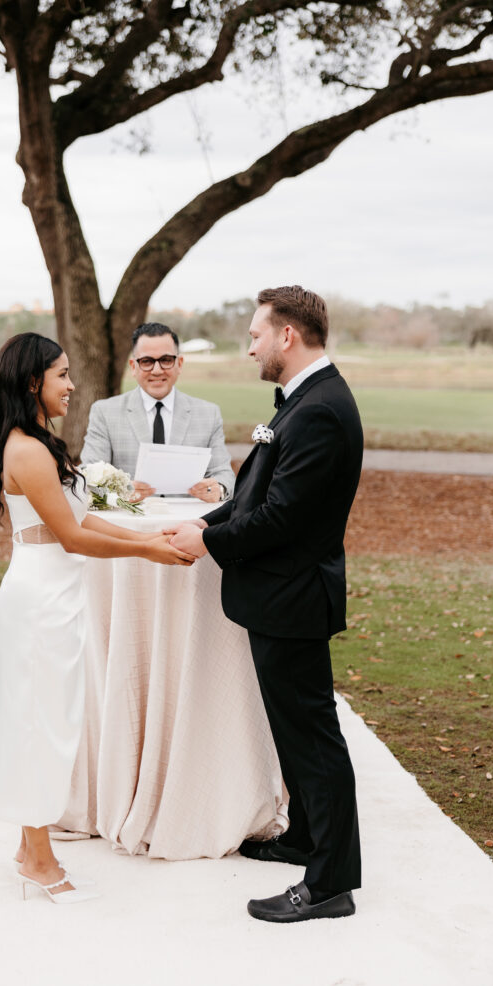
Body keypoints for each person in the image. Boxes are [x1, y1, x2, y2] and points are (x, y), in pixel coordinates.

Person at [168, 286, 363, 924]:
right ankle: (305, 836)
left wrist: (209, 541)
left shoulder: (320, 410)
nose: (248, 344)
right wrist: (206, 520)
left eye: (255, 333)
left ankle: (330, 882)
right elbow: (256, 493)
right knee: (293, 730)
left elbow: (281, 519)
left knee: (313, 738)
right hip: (278, 595)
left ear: (287, 336)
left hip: (294, 596)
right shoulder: (301, 403)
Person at [0, 332, 194, 905]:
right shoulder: (26, 450)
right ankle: (39, 857)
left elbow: (84, 515)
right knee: (39, 724)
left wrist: (146, 534)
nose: (72, 386)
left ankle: (30, 847)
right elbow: (73, 536)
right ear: (33, 382)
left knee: (51, 719)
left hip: (55, 596)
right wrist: (148, 551)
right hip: (39, 600)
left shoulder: (39, 441)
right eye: (62, 375)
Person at [81, 322, 235, 503]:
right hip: (126, 525)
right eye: (147, 361)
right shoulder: (104, 412)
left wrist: (218, 489)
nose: (156, 370)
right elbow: (88, 477)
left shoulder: (208, 414)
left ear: (179, 363)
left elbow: (225, 476)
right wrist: (122, 492)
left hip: (189, 525)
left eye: (166, 360)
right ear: (133, 366)